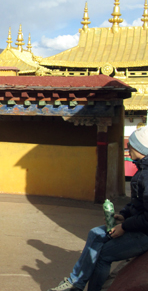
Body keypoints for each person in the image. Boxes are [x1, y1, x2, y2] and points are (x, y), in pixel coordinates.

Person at [48, 125, 148, 291]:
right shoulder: (141, 170)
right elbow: (137, 204)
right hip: (136, 225)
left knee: (103, 254)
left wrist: (124, 227)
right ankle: (75, 283)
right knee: (96, 233)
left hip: (144, 234)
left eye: (131, 145)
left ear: (140, 148)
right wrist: (123, 216)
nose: (128, 148)